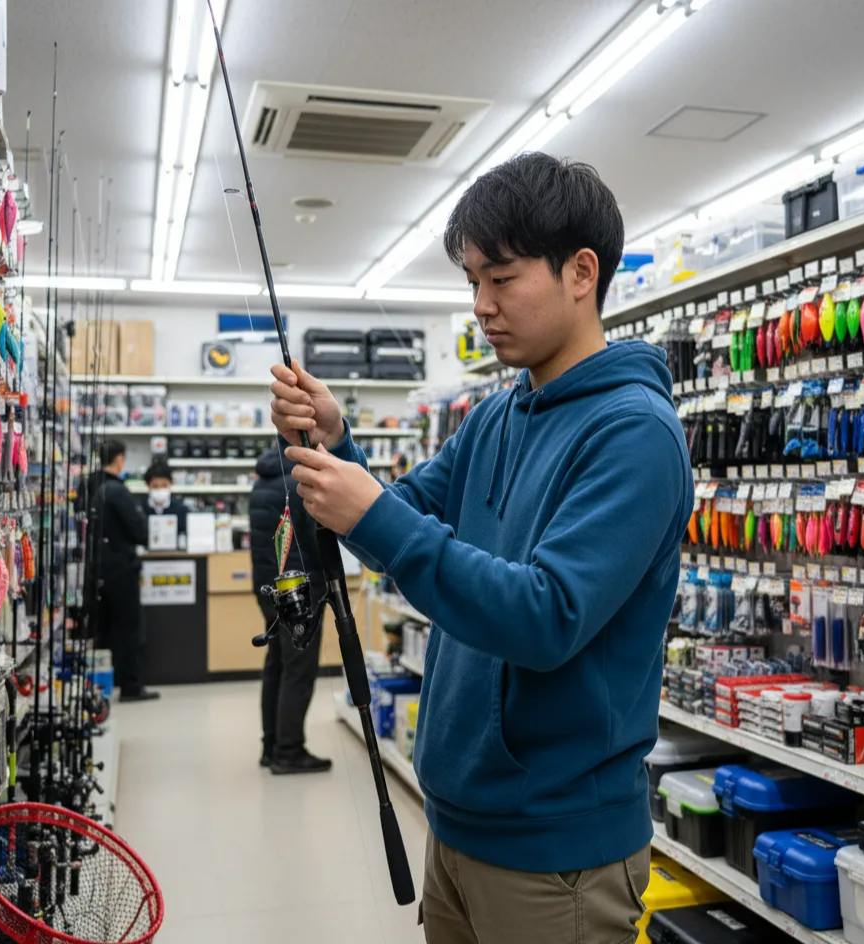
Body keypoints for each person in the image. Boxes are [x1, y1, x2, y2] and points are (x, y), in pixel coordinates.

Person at [270, 152, 694, 943]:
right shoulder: (500, 416)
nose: (481, 305)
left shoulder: (635, 433)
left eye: (501, 278)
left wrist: (374, 514)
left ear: (580, 271)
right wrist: (339, 449)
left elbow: (545, 616)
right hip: (460, 818)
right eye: (472, 281)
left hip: (557, 853)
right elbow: (395, 525)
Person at [249, 443, 331, 774]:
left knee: (277, 664)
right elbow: (315, 539)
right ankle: (289, 751)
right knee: (299, 669)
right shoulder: (300, 482)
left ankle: (271, 745)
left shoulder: (261, 481)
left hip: (270, 588)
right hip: (300, 589)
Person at [86, 440, 160, 703]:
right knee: (130, 630)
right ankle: (131, 686)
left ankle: (97, 688)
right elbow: (139, 531)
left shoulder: (87, 486)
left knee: (100, 631)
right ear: (119, 460)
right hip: (121, 570)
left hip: (92, 572)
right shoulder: (117, 491)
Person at [142, 460, 188, 542]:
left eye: (164, 485)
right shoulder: (139, 510)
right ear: (148, 486)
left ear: (170, 484)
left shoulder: (182, 510)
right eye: (155, 486)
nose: (160, 490)